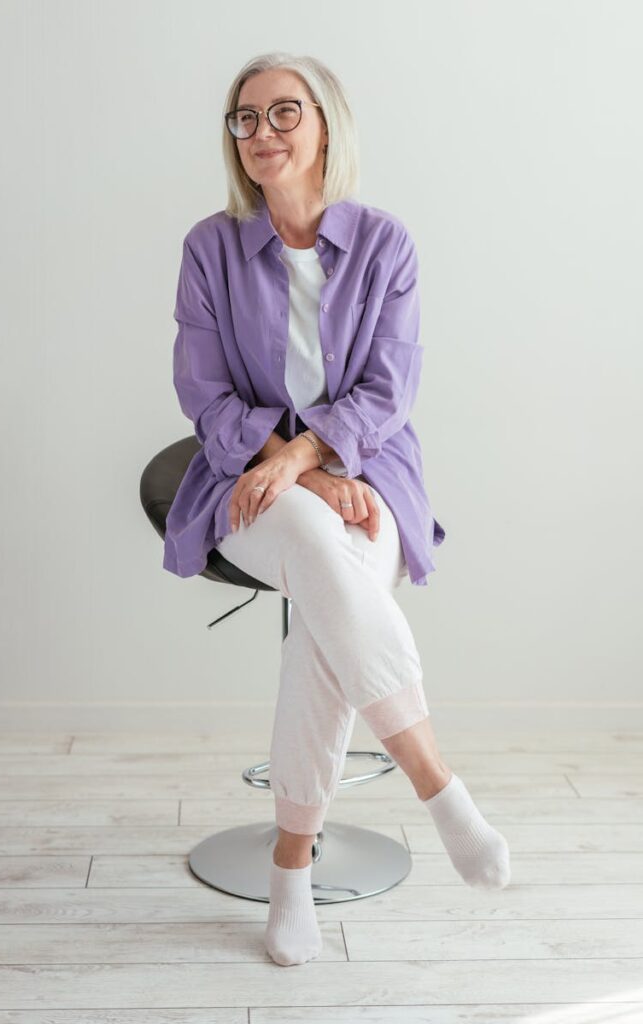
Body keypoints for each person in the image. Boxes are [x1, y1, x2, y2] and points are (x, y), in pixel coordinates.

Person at [164, 51, 511, 967]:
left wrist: (315, 456)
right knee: (319, 549)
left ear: (325, 126)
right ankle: (439, 789)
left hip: (374, 469)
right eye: (244, 119)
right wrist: (296, 472)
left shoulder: (386, 244)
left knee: (326, 616)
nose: (261, 133)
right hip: (246, 474)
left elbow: (390, 387)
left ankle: (289, 874)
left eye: (283, 113)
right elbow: (202, 394)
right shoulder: (211, 247)